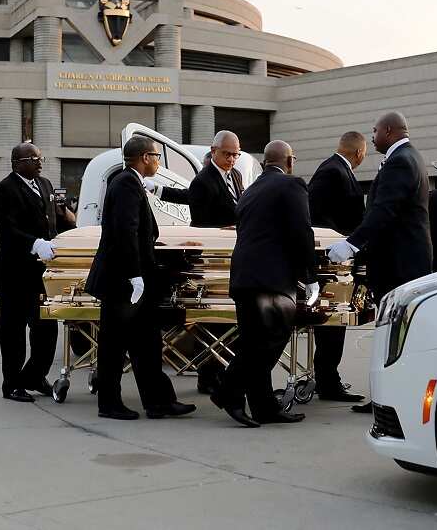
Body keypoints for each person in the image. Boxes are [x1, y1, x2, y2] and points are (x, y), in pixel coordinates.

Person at [326, 111, 432, 414]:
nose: (372, 138)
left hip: (399, 263)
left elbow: (385, 210)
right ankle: (389, 396)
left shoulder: (401, 161)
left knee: (394, 332)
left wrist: (351, 244)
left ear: (389, 130)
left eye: (375, 132)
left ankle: (391, 400)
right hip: (405, 261)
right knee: (396, 333)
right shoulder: (410, 158)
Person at [87, 135, 195, 420]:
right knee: (114, 345)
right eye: (157, 156)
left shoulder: (130, 182)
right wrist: (135, 275)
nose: (159, 161)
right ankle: (109, 404)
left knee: (147, 343)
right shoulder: (125, 184)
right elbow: (126, 232)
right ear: (145, 157)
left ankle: (158, 402)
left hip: (133, 279)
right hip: (122, 280)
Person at [212, 140, 318, 427]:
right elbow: (301, 232)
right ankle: (227, 391)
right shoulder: (292, 185)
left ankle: (264, 406)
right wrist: (310, 276)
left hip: (245, 276)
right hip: (270, 280)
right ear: (290, 161)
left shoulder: (251, 190)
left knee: (253, 341)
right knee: (268, 342)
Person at [149, 130, 243, 393]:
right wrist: (230, 227)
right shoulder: (204, 180)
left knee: (228, 319)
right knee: (211, 317)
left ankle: (218, 370)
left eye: (236, 154)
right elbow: (201, 224)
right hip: (209, 256)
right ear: (214, 151)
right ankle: (207, 373)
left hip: (231, 254)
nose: (232, 159)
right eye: (227, 154)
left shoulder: (234, 175)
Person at [0, 143, 75, 402]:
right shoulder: (5, 189)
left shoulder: (46, 185)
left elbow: (52, 220)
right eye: (33, 158)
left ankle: (34, 376)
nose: (39, 162)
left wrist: (69, 222)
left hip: (42, 272)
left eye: (40, 157)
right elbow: (7, 229)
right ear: (17, 163)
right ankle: (12, 384)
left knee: (46, 328)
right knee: (14, 330)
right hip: (14, 271)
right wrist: (35, 243)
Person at [306, 131, 367, 403]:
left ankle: (329, 379)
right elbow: (318, 216)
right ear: (360, 153)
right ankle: (328, 382)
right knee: (331, 323)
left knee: (335, 324)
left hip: (337, 259)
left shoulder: (335, 169)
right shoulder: (333, 172)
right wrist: (340, 242)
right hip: (331, 261)